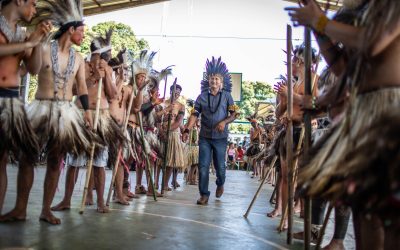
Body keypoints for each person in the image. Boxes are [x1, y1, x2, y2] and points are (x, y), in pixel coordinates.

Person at [287, 0, 400, 248]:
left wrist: (321, 22)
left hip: (390, 111)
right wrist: (318, 30)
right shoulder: (363, 10)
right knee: (366, 210)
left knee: (392, 215)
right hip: (364, 112)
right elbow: (342, 66)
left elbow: (373, 41)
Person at [3, 0, 98, 225]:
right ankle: (20, 208)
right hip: (41, 106)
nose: (84, 36)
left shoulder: (79, 59)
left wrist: (86, 111)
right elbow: (28, 70)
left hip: (65, 111)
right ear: (71, 29)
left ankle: (46, 209)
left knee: (56, 160)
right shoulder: (44, 47)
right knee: (28, 158)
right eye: (82, 31)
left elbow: (82, 87)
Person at [0, 0, 51, 217]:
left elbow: (33, 68)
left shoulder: (22, 34)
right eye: (32, 3)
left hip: (11, 101)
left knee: (1, 160)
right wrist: (28, 44)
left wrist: (38, 41)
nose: (35, 9)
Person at [184, 57, 238, 205]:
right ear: (208, 81)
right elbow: (194, 115)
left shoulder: (227, 97)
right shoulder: (201, 97)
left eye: (216, 79)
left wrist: (224, 121)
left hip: (221, 138)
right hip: (205, 137)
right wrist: (187, 128)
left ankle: (220, 183)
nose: (213, 81)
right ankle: (204, 194)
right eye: (211, 79)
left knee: (220, 167)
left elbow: (234, 114)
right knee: (203, 166)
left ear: (221, 82)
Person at [157, 83, 185, 191]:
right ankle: (155, 183)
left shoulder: (181, 106)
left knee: (170, 161)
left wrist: (168, 130)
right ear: (170, 91)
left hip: (173, 134)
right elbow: (157, 119)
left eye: (178, 93)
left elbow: (178, 121)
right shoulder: (163, 103)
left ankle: (165, 184)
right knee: (159, 161)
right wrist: (161, 131)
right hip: (161, 134)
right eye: (175, 92)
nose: (177, 94)